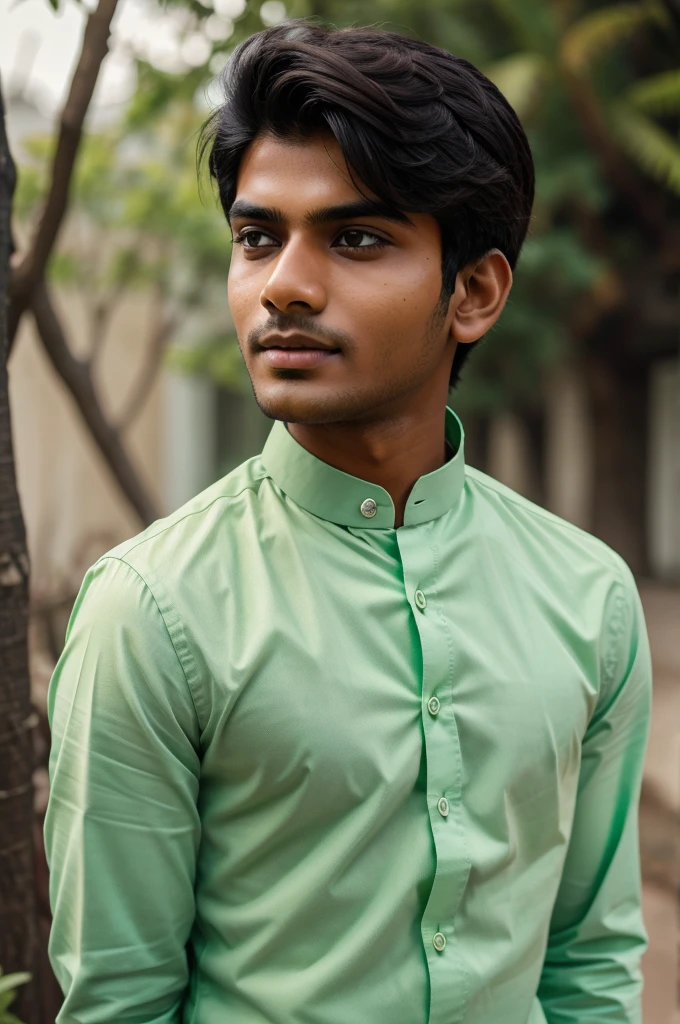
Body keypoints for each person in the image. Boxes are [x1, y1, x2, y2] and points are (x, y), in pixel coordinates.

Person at [45, 22, 652, 1024]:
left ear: (472, 291)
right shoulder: (152, 613)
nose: (282, 282)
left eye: (355, 238)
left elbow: (587, 964)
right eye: (255, 237)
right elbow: (121, 1002)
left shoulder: (586, 596)